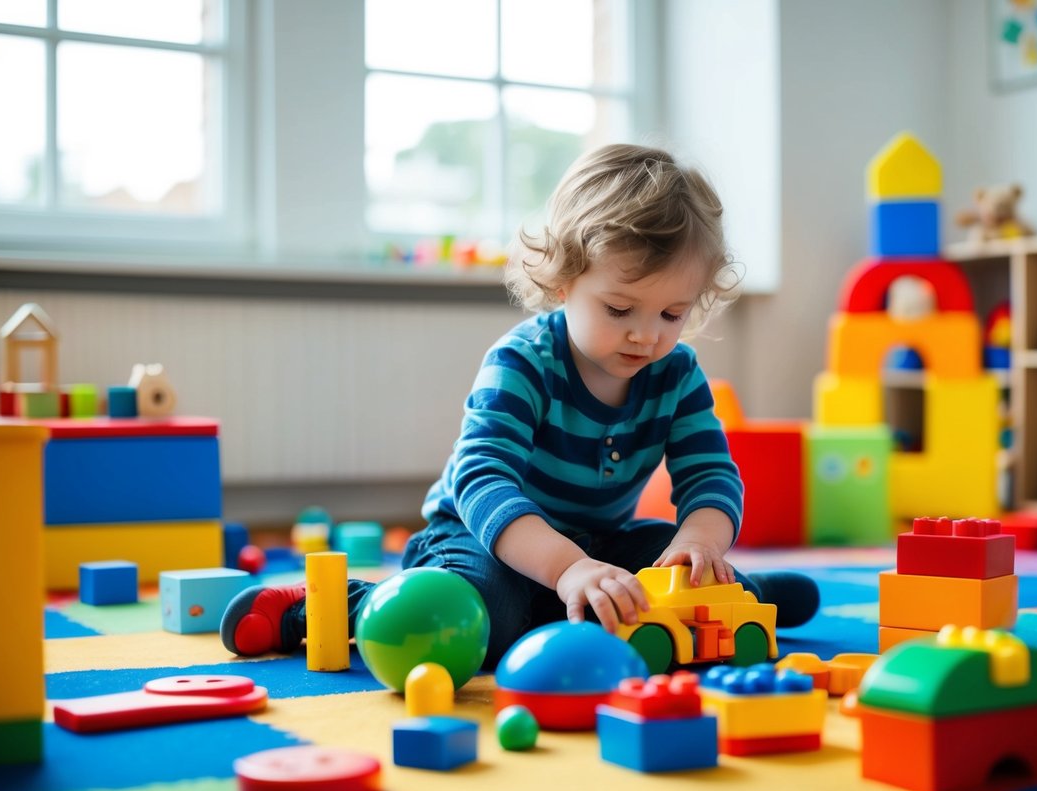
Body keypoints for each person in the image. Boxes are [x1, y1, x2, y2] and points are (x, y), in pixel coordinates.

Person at [221, 143, 819, 666]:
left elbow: (710, 476)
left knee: (679, 576)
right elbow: (481, 480)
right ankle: (329, 604)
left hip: (594, 540)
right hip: (482, 536)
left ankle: (741, 588)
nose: (647, 335)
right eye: (619, 310)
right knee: (478, 625)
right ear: (565, 282)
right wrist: (566, 569)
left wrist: (701, 548)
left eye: (671, 313)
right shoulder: (525, 362)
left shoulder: (677, 372)